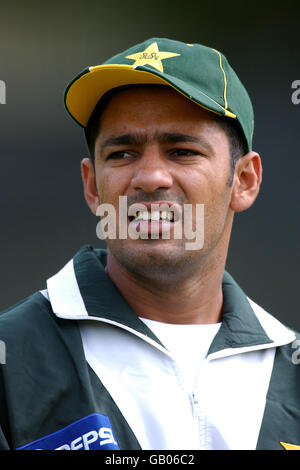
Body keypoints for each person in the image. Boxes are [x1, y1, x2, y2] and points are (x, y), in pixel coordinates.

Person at [0, 37, 299, 452]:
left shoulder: (290, 367)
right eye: (122, 154)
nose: (150, 177)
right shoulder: (10, 358)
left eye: (182, 151)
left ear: (244, 181)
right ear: (92, 185)